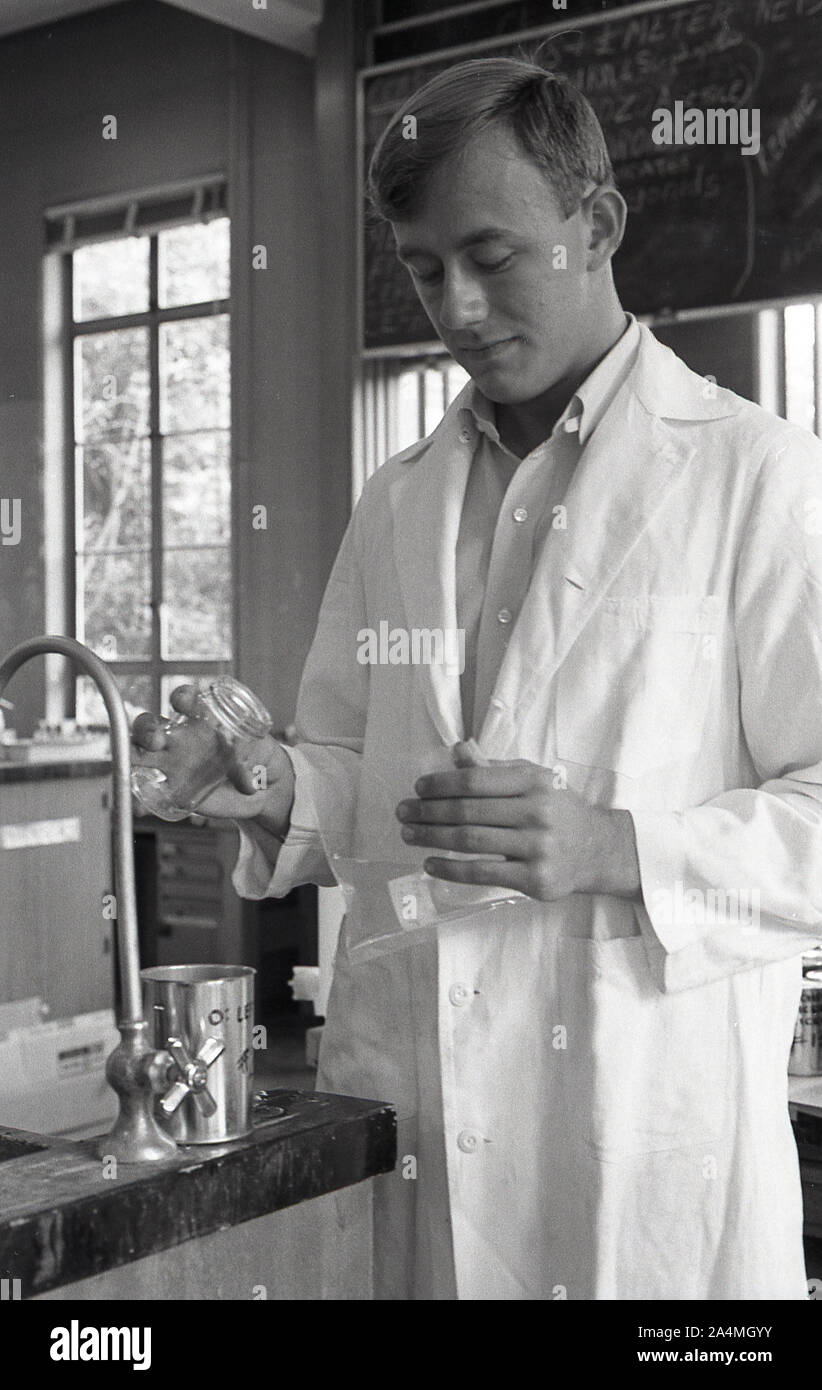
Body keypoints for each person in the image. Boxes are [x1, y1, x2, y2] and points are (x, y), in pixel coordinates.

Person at [133, 58, 822, 1300]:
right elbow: (357, 769)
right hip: (419, 1121)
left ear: (597, 225)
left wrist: (620, 846)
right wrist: (267, 782)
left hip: (641, 1146)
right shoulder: (399, 500)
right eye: (419, 264)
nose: (453, 306)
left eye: (492, 256)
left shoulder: (758, 478)